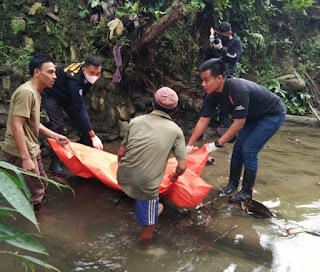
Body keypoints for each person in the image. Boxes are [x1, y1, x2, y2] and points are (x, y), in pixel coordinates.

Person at [186, 58, 286, 203]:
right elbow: (203, 119)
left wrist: (216, 144)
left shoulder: (238, 89)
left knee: (249, 150)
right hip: (251, 116)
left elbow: (238, 124)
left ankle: (246, 192)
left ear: (219, 78)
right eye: (202, 80)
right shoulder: (212, 93)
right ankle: (232, 184)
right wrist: (189, 146)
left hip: (271, 114)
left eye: (206, 80)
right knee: (238, 149)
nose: (203, 84)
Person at [117, 87, 187, 241]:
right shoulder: (176, 131)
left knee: (142, 191)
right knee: (149, 225)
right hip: (145, 184)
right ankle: (143, 249)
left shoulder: (135, 121)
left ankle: (152, 208)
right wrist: (174, 177)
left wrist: (124, 170)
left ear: (153, 105)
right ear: (174, 111)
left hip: (122, 176)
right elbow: (182, 166)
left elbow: (121, 154)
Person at [2, 54, 69, 211]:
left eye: (54, 72)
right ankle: (38, 224)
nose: (54, 76)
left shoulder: (35, 92)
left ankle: (38, 213)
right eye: (50, 72)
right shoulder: (26, 93)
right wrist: (26, 159)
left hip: (31, 147)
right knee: (36, 191)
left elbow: (32, 122)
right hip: (20, 151)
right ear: (37, 72)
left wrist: (54, 135)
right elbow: (17, 125)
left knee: (43, 184)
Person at [41, 55, 103, 177]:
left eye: (98, 73)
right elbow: (80, 107)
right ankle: (54, 164)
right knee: (58, 126)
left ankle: (90, 158)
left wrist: (90, 135)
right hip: (52, 94)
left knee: (82, 123)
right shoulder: (74, 79)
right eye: (92, 73)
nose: (95, 75)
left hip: (68, 95)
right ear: (84, 69)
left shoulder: (88, 73)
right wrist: (93, 135)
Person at [198, 22, 243, 165]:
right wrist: (212, 47)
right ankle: (201, 131)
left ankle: (225, 132)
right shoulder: (217, 41)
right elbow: (207, 58)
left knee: (226, 106)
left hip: (229, 79)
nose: (221, 39)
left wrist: (221, 50)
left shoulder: (236, 43)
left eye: (223, 36)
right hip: (214, 79)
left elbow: (234, 58)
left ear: (229, 33)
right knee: (207, 102)